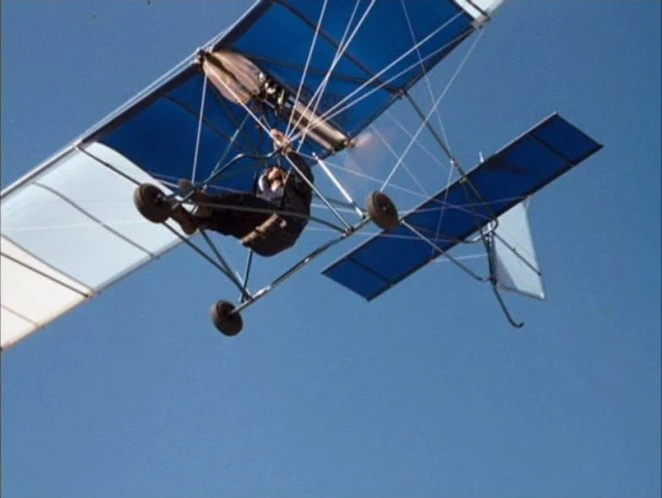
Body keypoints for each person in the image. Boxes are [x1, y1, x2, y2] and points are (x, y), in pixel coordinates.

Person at [170, 129, 314, 257]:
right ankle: (197, 220)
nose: (271, 170)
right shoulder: (264, 196)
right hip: (262, 240)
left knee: (242, 202)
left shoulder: (296, 187)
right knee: (232, 218)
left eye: (273, 169)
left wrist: (288, 151)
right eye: (268, 172)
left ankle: (209, 204)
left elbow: (304, 174)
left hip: (286, 228)